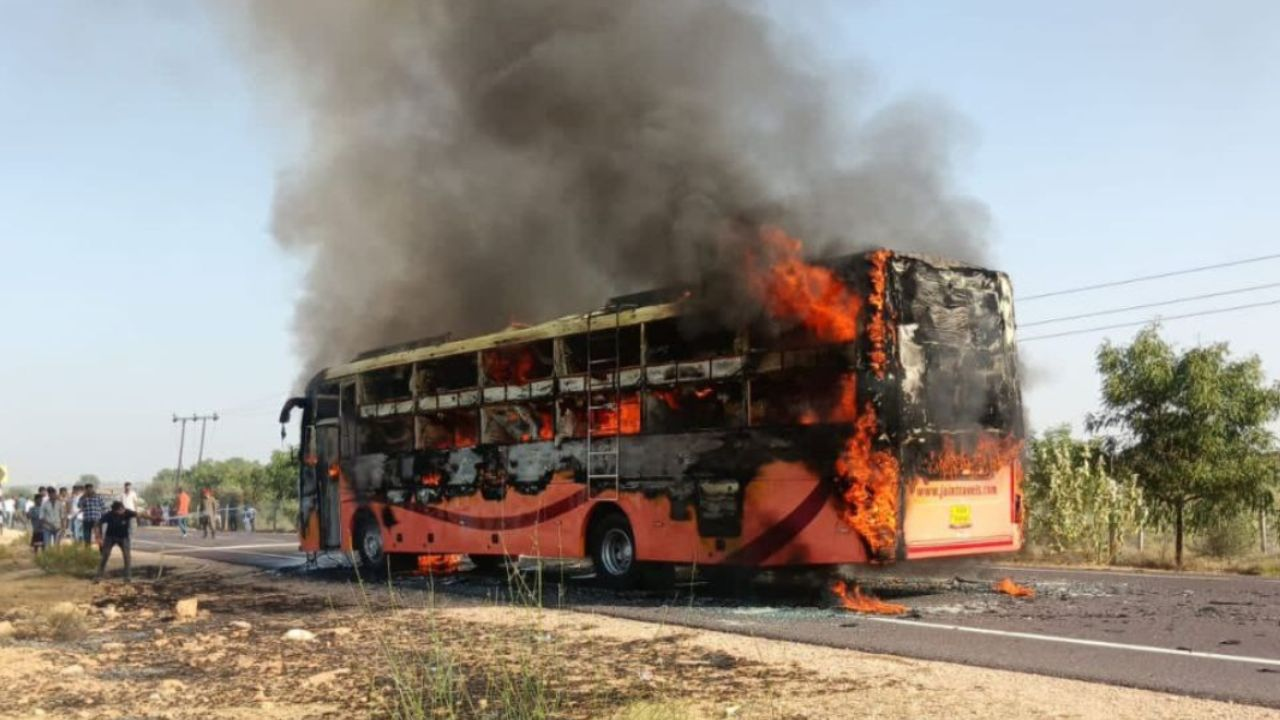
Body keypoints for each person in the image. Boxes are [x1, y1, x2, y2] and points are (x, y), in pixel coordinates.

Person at [94, 501, 136, 583]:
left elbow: (140, 514)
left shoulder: (127, 512)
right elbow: (97, 523)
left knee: (127, 556)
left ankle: (127, 577)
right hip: (110, 537)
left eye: (123, 508)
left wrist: (153, 517)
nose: (122, 511)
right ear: (115, 511)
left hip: (123, 537)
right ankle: (98, 576)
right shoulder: (109, 515)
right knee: (105, 555)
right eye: (120, 509)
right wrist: (98, 537)